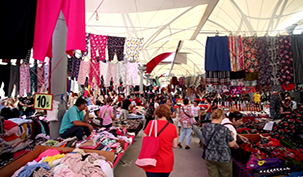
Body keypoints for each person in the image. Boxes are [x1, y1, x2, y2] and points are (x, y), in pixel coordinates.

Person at [143, 104, 178, 177]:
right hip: (167, 161)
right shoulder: (172, 127)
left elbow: (144, 140)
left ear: (157, 113)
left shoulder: (151, 124)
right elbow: (175, 145)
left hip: (151, 161)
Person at [202, 109, 239, 177]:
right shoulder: (225, 129)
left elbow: (204, 139)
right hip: (223, 157)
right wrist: (237, 145)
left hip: (209, 156)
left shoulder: (205, 127)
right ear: (221, 117)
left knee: (212, 175)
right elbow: (232, 144)